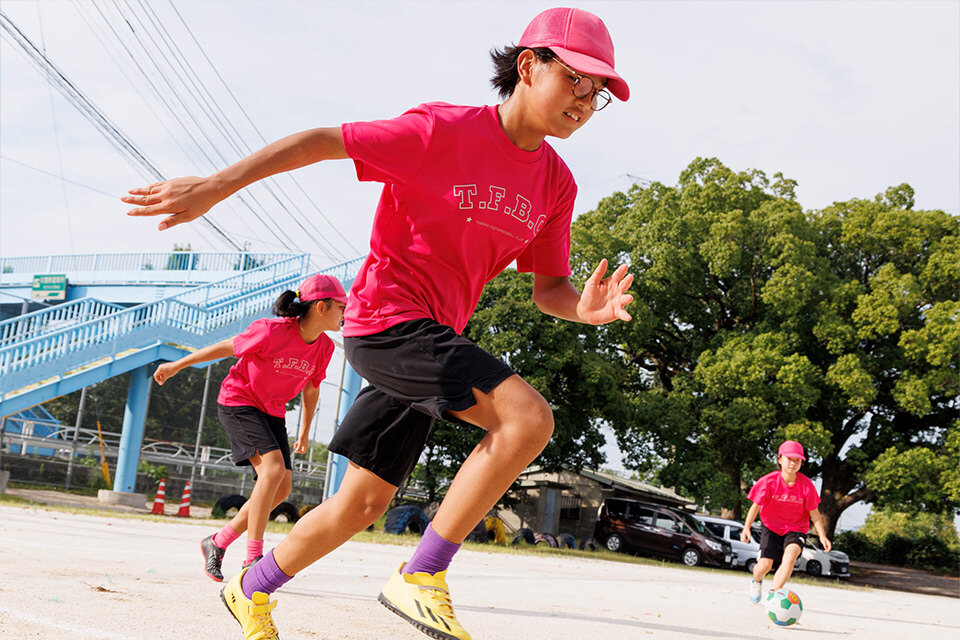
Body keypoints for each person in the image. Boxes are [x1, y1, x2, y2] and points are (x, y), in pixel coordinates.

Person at [124, 7, 632, 640]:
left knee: (363, 504)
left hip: (431, 340)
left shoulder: (557, 185)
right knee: (528, 418)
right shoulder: (440, 131)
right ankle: (422, 576)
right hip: (389, 321)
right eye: (577, 80)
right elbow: (320, 142)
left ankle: (249, 589)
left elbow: (549, 289)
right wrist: (216, 187)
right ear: (529, 66)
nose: (586, 100)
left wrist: (584, 309)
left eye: (599, 92)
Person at [152, 274, 347, 581]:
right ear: (321, 307)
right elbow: (227, 347)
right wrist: (178, 365)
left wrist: (306, 430)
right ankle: (252, 557)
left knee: (281, 487)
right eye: (341, 307)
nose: (344, 314)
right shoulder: (270, 331)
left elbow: (312, 389)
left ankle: (217, 542)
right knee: (271, 472)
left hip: (272, 412)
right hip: (239, 401)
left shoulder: (324, 348)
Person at [740, 440, 832, 603]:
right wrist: (746, 528)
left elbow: (815, 514)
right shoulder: (768, 482)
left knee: (790, 556)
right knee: (764, 566)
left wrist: (822, 536)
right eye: (789, 459)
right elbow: (755, 507)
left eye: (797, 460)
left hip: (796, 529)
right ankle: (757, 581)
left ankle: (775, 596)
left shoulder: (806, 485)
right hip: (771, 527)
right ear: (780, 459)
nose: (793, 463)